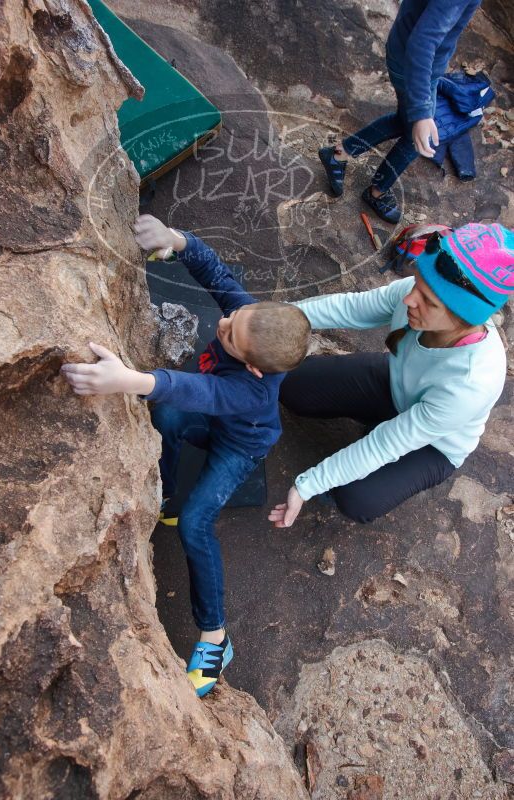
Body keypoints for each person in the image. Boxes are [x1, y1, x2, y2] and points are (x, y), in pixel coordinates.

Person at [61, 215, 311, 697]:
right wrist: (177, 241)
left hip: (240, 445)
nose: (221, 324)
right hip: (217, 421)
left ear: (254, 367)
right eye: (234, 319)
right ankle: (166, 496)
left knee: (198, 523)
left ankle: (216, 637)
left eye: (230, 335)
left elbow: (195, 388)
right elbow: (218, 275)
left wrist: (130, 381)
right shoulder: (249, 319)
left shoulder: (252, 394)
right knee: (170, 418)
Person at [269, 223, 513, 529]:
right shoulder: (416, 296)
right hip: (397, 386)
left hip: (435, 444)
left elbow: (386, 443)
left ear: (464, 318)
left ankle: (349, 483)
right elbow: (352, 308)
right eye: (416, 284)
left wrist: (307, 485)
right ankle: (371, 424)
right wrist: (273, 316)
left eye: (428, 301)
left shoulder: (471, 383)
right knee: (292, 386)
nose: (410, 299)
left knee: (356, 499)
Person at [318, 0, 482, 224]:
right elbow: (423, 41)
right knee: (417, 138)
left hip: (405, 51)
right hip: (414, 64)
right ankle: (377, 192)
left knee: (405, 122)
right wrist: (422, 112)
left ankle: (340, 154)